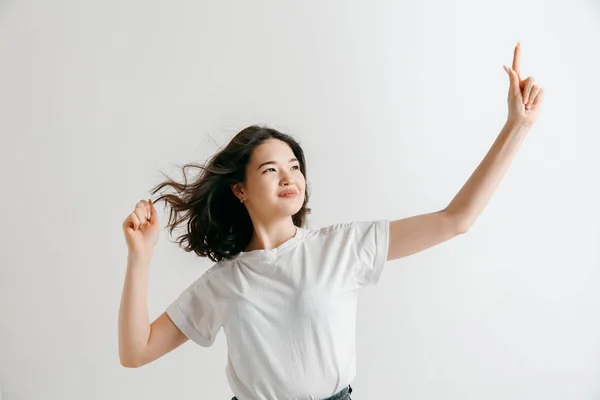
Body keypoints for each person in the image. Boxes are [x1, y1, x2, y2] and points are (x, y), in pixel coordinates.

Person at [118, 42, 543, 400]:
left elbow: (456, 219)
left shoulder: (340, 247)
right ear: (240, 190)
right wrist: (141, 257)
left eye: (294, 166)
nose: (289, 177)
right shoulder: (224, 282)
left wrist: (516, 127)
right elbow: (136, 352)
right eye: (270, 170)